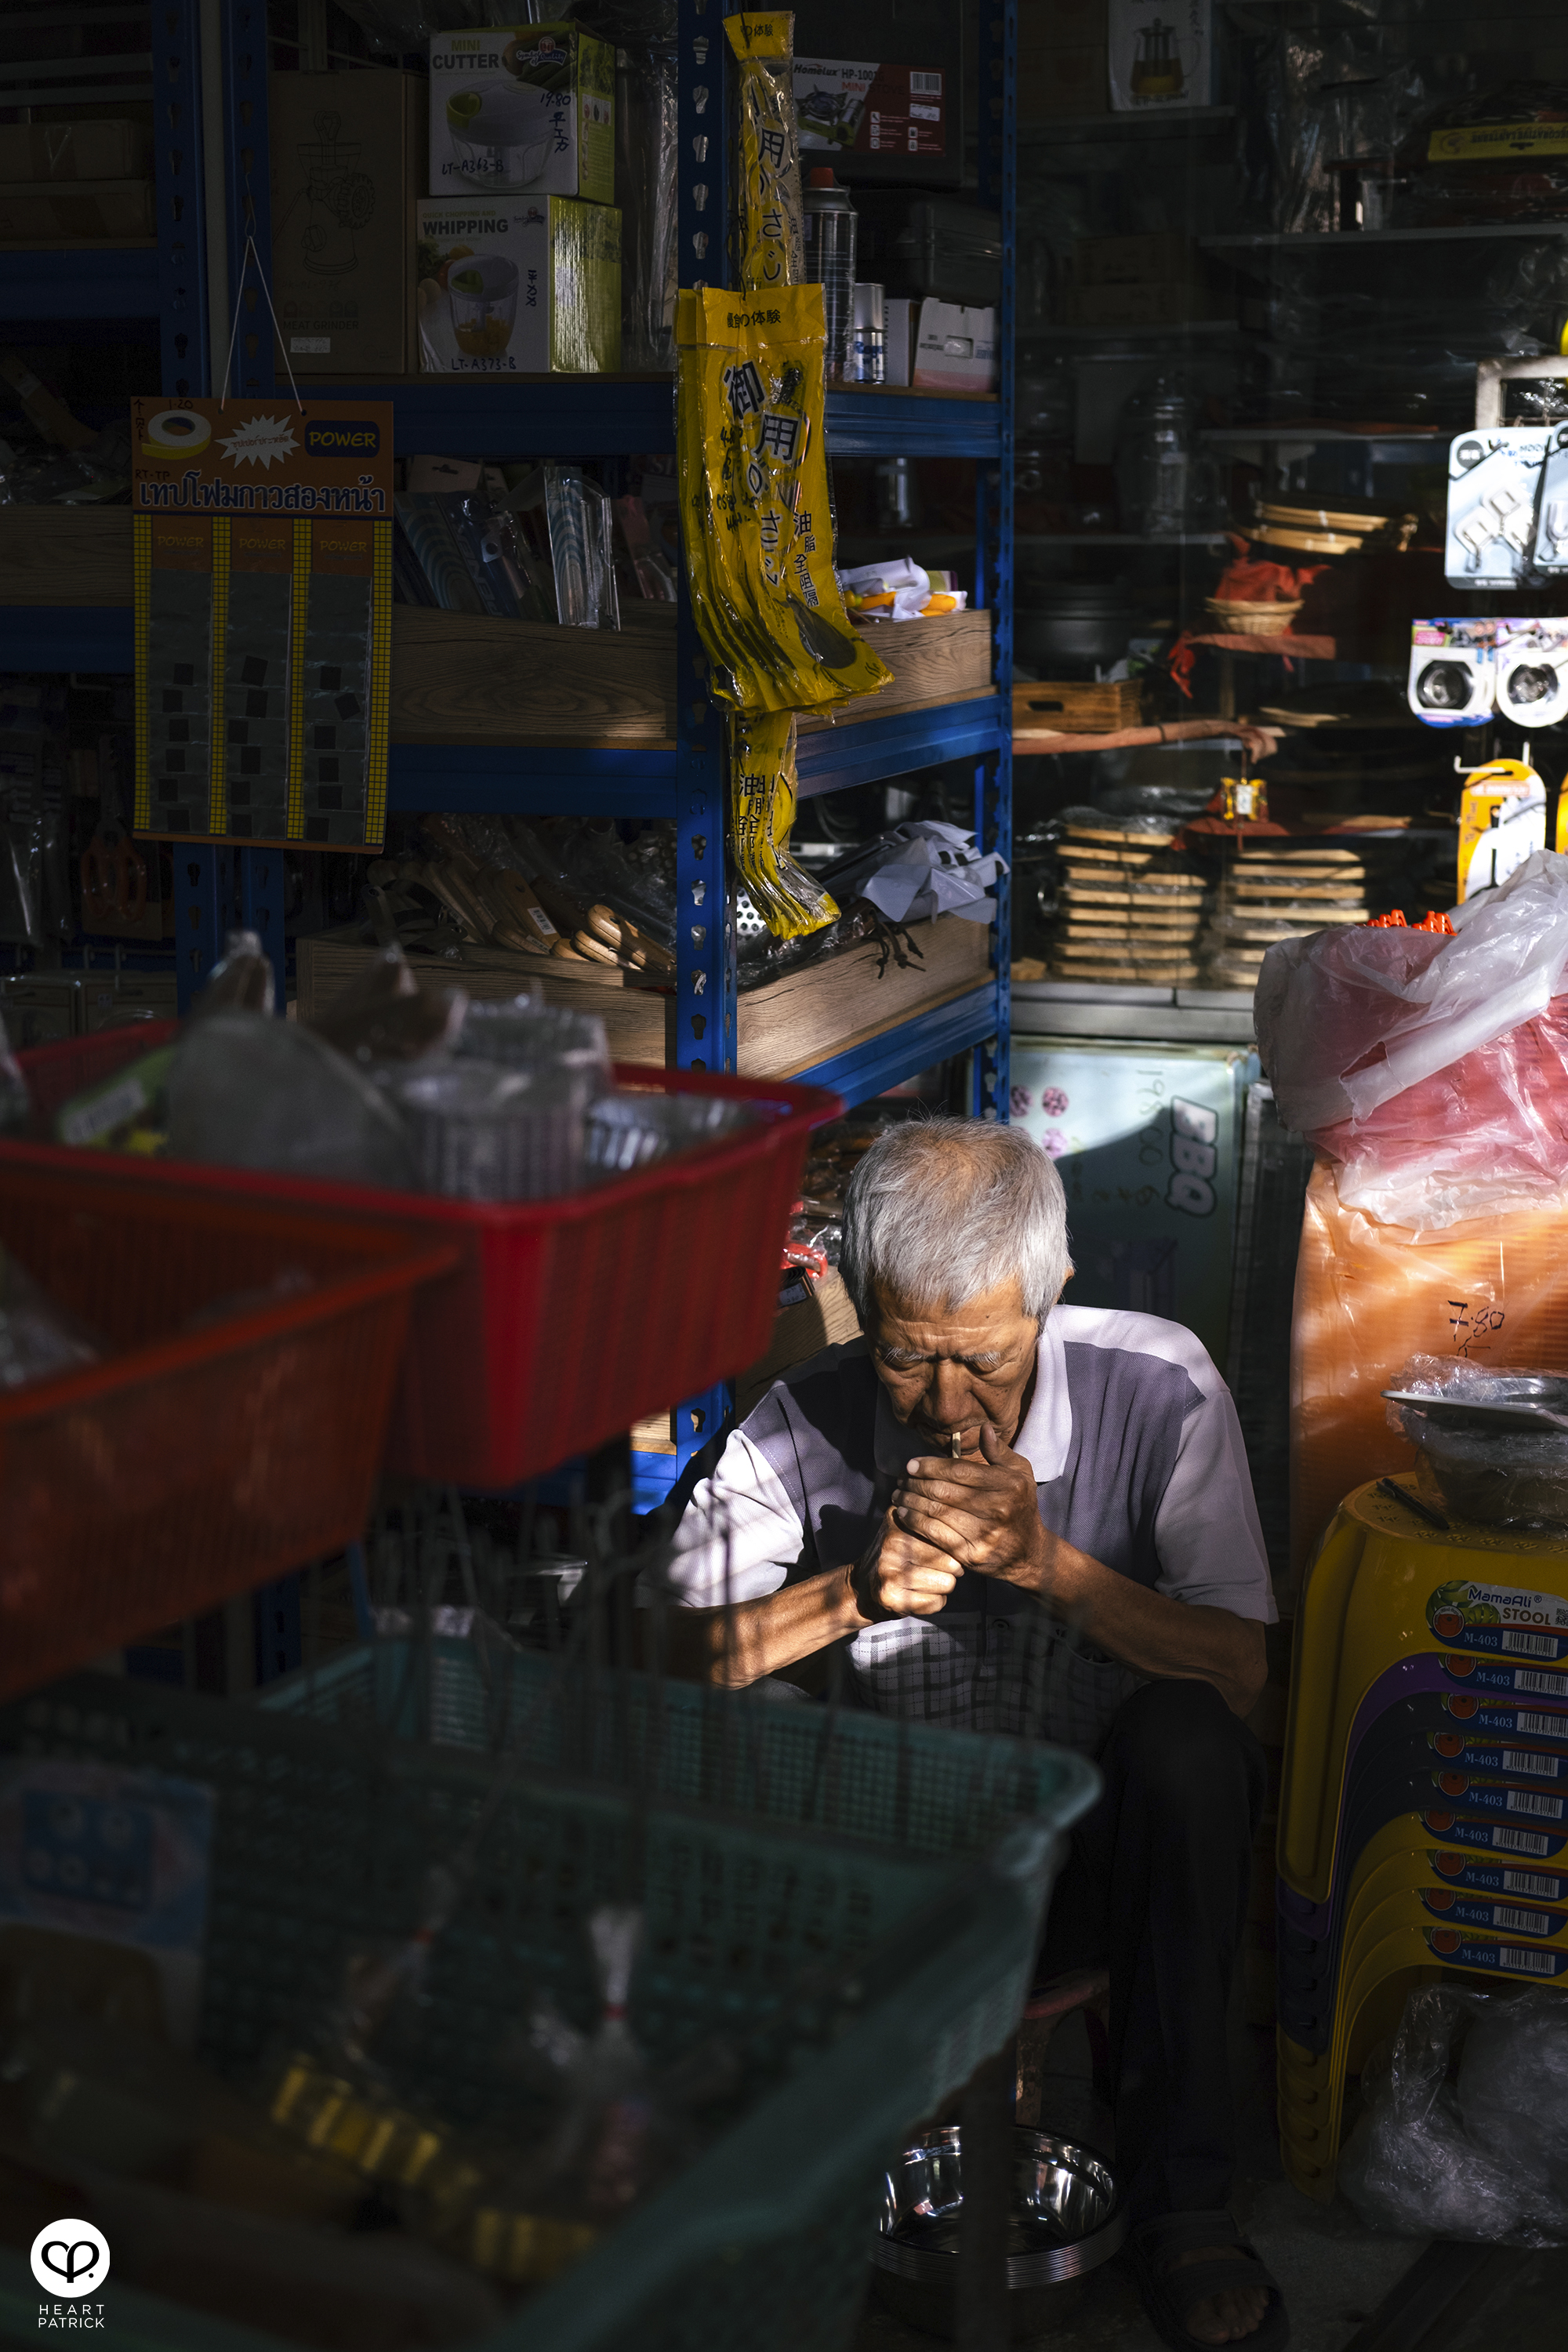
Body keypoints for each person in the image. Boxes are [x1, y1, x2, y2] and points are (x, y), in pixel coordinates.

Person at [655, 1117, 1286, 2352]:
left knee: (1191, 1745)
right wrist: (852, 1595)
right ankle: (791, 2171)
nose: (946, 1402)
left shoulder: (1158, 1385)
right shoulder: (800, 1422)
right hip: (891, 1881)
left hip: (1102, 1871)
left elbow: (1245, 1672)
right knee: (739, 1728)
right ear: (861, 1312)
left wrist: (1052, 1567)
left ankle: (1180, 2203)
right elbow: (643, 1661)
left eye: (984, 1359)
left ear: (1050, 1291)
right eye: (904, 1358)